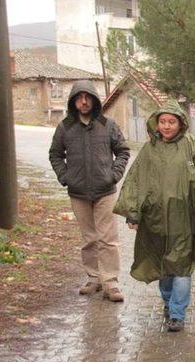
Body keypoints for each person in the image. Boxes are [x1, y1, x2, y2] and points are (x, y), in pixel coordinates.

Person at [114, 101, 195, 332]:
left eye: (171, 122)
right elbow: (136, 181)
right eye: (163, 121)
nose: (167, 126)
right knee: (163, 267)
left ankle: (177, 313)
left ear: (180, 123)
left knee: (182, 266)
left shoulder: (193, 145)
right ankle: (168, 303)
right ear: (156, 123)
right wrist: (133, 213)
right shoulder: (149, 150)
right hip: (155, 221)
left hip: (185, 220)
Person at [49, 80, 130, 302]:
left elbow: (122, 151)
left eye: (88, 97)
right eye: (79, 97)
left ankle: (110, 282)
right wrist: (66, 177)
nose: (84, 102)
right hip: (78, 192)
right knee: (89, 238)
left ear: (94, 100)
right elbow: (55, 154)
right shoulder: (65, 127)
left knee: (108, 239)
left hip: (105, 191)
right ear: (73, 101)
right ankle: (94, 278)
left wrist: (113, 175)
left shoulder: (108, 125)